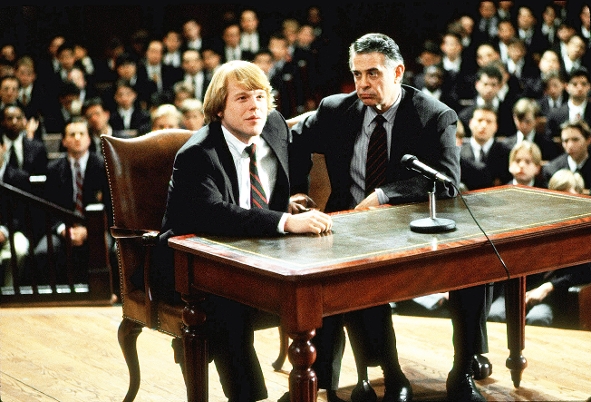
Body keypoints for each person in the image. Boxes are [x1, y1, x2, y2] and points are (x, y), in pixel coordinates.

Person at [289, 32, 489, 402]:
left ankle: (462, 371)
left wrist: (384, 196)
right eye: (357, 74)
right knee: (329, 273)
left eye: (373, 74)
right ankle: (347, 378)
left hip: (409, 229)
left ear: (397, 72)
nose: (363, 84)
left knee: (476, 265)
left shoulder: (434, 115)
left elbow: (447, 180)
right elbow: (290, 141)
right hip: (346, 226)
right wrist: (296, 190)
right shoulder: (335, 109)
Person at [152, 59, 332, 402]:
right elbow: (213, 215)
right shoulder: (197, 154)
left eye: (261, 96)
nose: (255, 106)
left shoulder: (274, 125)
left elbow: (296, 163)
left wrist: (293, 197)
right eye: (243, 98)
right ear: (219, 108)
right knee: (227, 307)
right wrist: (284, 221)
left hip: (258, 253)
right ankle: (248, 397)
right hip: (193, 263)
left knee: (324, 290)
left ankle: (310, 390)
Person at [488, 167, 591, 326]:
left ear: (580, 196)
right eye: (558, 196)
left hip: (553, 294)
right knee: (494, 314)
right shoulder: (538, 222)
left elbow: (584, 271)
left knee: (537, 318)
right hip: (521, 288)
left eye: (569, 196)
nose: (563, 202)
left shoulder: (584, 229)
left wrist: (548, 287)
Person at [33, 117, 111, 284]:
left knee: (107, 247)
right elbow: (48, 208)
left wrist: (89, 229)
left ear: (89, 139)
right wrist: (63, 229)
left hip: (96, 227)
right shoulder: (53, 169)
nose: (77, 138)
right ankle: (57, 295)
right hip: (64, 227)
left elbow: (111, 208)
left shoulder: (103, 166)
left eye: (81, 134)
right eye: (72, 134)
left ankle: (104, 292)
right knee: (43, 252)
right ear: (64, 141)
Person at [460, 104, 512, 190]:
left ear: (496, 127)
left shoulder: (506, 153)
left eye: (489, 121)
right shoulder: (459, 154)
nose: (484, 125)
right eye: (480, 120)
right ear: (470, 123)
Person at [542, 119, 591, 189]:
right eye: (565, 141)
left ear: (588, 140)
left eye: (575, 140)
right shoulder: (552, 170)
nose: (570, 145)